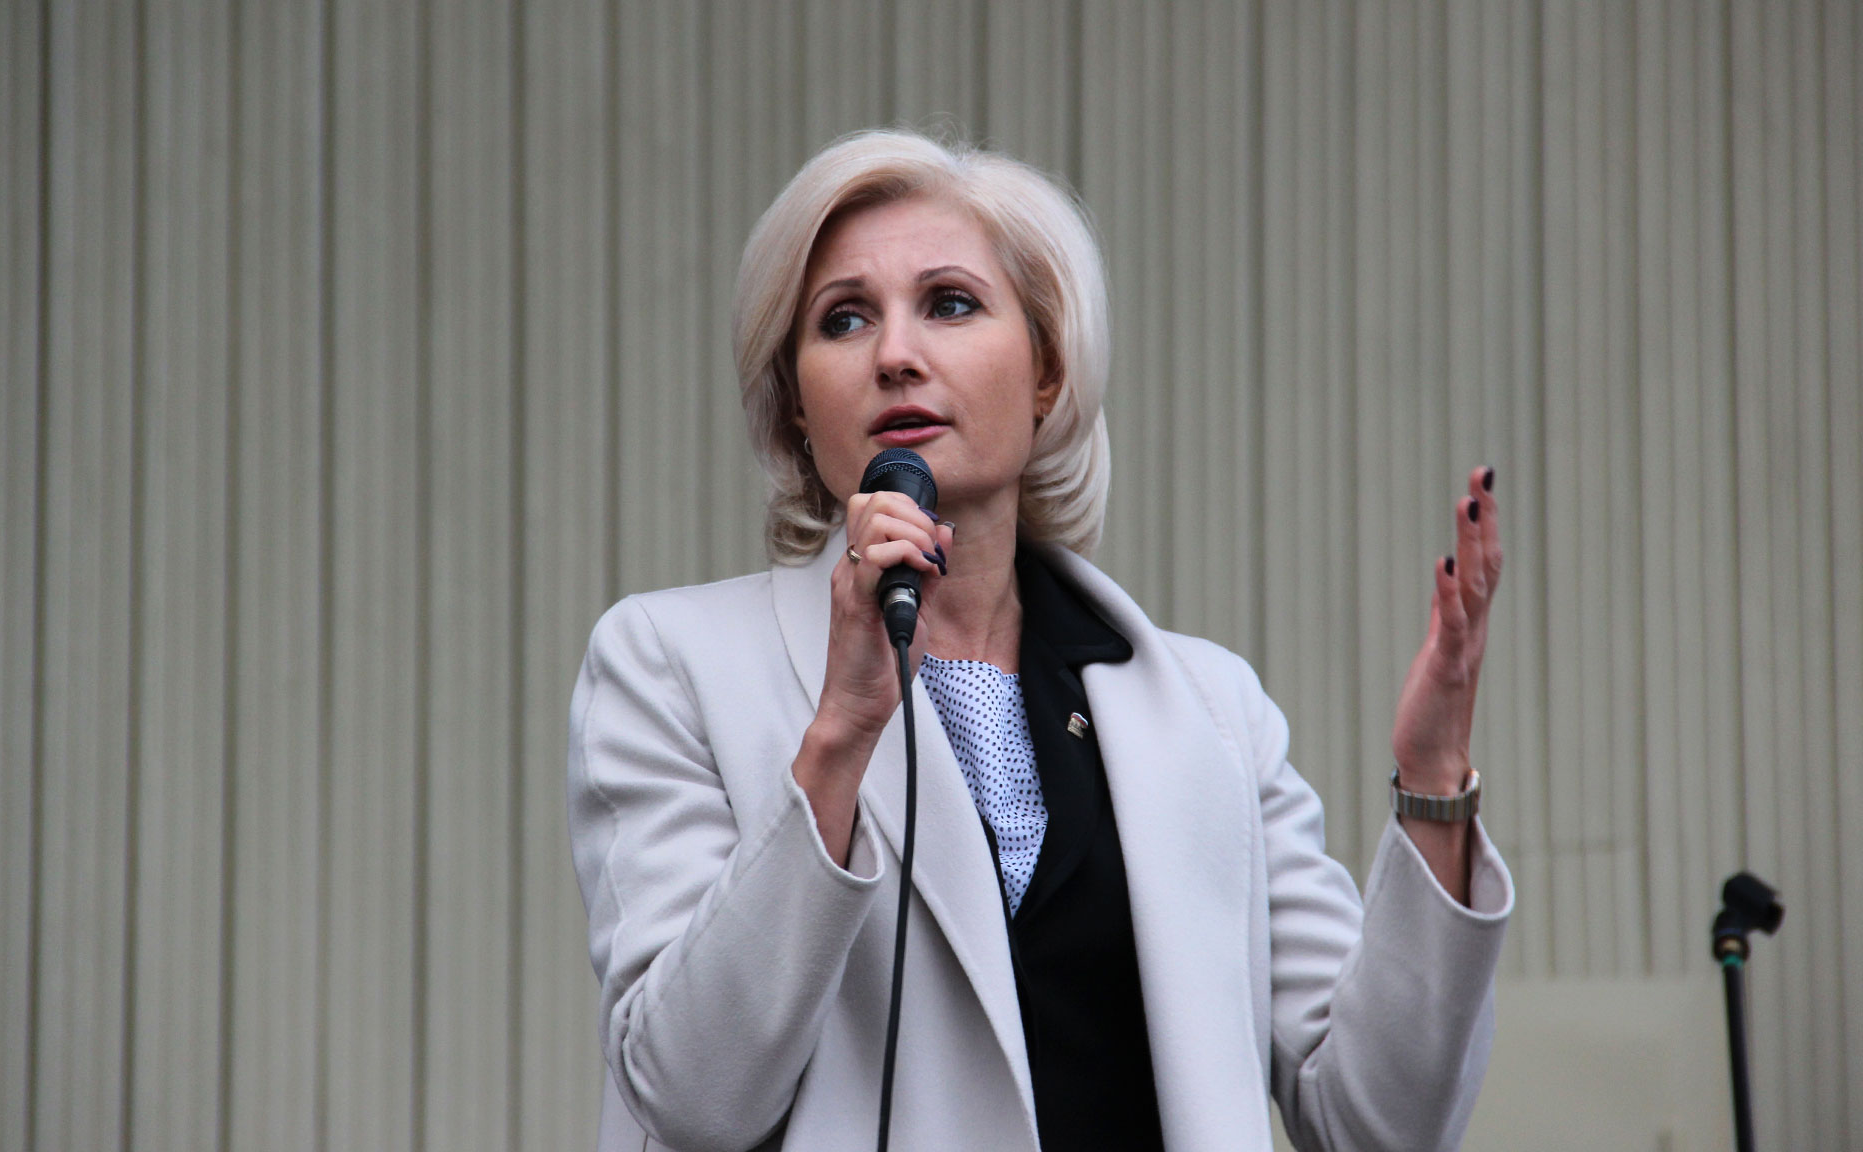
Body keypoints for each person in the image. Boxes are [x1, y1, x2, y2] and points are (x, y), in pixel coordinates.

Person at [569, 129, 1511, 1152]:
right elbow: (691, 1098)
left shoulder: (1211, 711)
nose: (895, 355)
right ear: (797, 404)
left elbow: (1382, 1124)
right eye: (844, 319)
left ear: (1048, 372)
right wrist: (839, 736)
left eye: (950, 304)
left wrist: (1433, 781)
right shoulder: (671, 662)